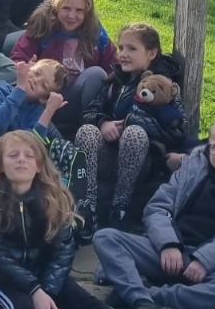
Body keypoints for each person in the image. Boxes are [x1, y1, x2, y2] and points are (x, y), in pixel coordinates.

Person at [0, 131, 171, 309]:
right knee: (19, 305)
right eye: (13, 155)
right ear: (0, 165)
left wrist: (48, 290)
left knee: (85, 300)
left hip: (45, 271)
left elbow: (63, 250)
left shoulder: (53, 198)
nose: (21, 159)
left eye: (29, 155)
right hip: (2, 276)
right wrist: (35, 290)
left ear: (39, 165)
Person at [93, 118, 215, 309]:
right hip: (170, 252)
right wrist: (168, 244)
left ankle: (147, 296)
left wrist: (205, 260)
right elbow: (157, 208)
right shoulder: (191, 169)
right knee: (105, 237)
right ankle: (138, 295)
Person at [72, 22, 187, 235]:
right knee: (86, 131)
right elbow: (88, 112)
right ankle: (87, 207)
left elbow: (179, 130)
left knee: (134, 133)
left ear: (151, 53)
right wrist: (103, 123)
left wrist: (133, 121)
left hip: (142, 160)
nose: (123, 54)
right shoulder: (115, 81)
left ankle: (121, 208)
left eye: (132, 49)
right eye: (121, 48)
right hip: (109, 156)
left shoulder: (162, 85)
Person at [10, 0, 114, 124]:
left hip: (78, 99)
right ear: (56, 6)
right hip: (44, 100)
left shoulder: (96, 34)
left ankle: (90, 122)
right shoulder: (42, 26)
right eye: (66, 8)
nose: (71, 16)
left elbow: (113, 66)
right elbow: (18, 57)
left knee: (96, 74)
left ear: (87, 12)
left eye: (79, 11)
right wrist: (28, 68)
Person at [0, 60, 68, 137]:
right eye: (36, 73)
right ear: (28, 68)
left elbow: (32, 145)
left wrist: (49, 111)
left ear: (44, 98)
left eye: (43, 85)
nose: (36, 80)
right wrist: (20, 89)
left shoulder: (37, 112)